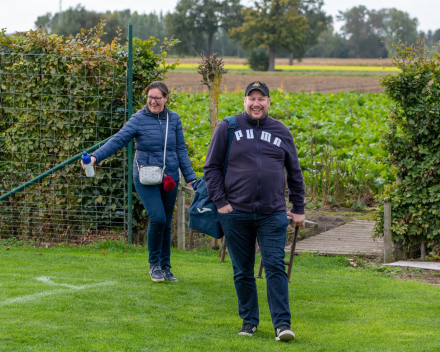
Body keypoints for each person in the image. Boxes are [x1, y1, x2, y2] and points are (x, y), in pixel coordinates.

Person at [203, 81, 305, 342]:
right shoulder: (228, 127)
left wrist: (298, 207)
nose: (256, 103)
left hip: (273, 213)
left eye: (262, 98)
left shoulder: (281, 131)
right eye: (252, 98)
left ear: (269, 102)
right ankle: (249, 321)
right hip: (235, 213)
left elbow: (294, 172)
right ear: (244, 101)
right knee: (243, 270)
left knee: (274, 267)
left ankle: (282, 325)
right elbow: (211, 168)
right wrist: (221, 202)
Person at [81, 81, 197, 283]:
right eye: (150, 97)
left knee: (167, 223)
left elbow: (180, 150)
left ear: (166, 98)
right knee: (158, 218)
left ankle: (166, 267)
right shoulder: (138, 119)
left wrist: (192, 178)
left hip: (169, 178)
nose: (153, 101)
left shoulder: (174, 119)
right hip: (146, 177)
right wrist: (95, 157)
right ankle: (154, 265)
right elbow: (118, 140)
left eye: (157, 98)